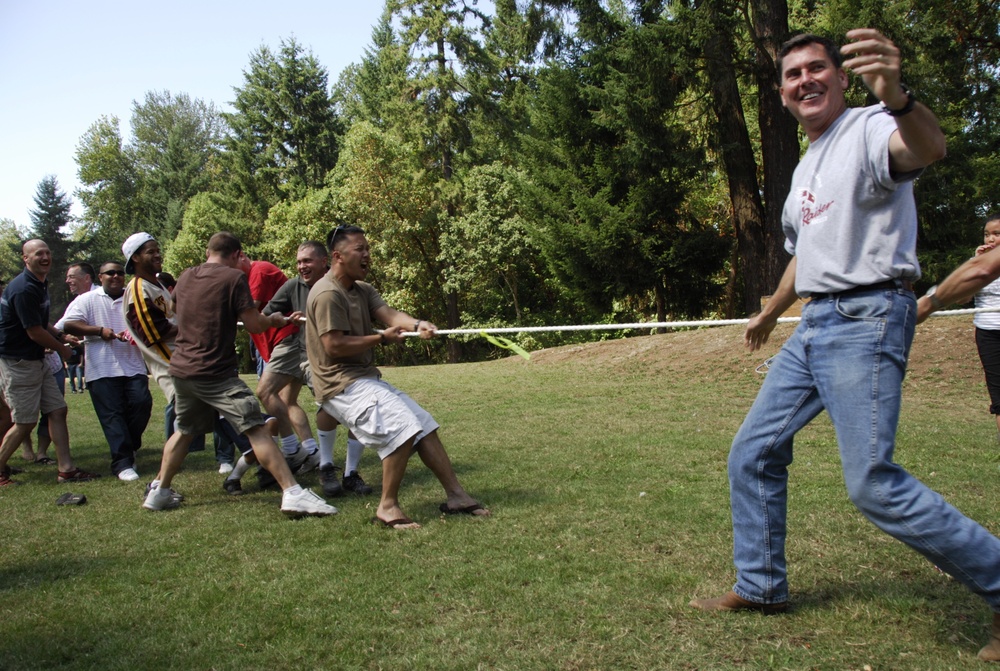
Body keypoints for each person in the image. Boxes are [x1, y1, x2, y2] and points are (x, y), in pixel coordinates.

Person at [687, 30, 1000, 662]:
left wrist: (897, 95)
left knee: (872, 484)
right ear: (779, 94)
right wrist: (771, 314)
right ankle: (762, 586)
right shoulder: (807, 166)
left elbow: (927, 148)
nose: (805, 80)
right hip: (816, 326)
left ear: (838, 75)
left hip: (866, 316)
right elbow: (805, 261)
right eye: (792, 74)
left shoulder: (868, 128)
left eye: (816, 68)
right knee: (752, 452)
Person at [305, 224, 489, 529]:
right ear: (337, 255)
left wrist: (417, 324)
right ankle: (387, 506)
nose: (367, 255)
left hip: (363, 378)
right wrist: (381, 339)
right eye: (359, 249)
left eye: (368, 248)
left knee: (424, 427)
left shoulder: (362, 289)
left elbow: (389, 315)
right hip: (339, 384)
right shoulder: (326, 293)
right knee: (402, 427)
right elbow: (333, 346)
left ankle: (456, 495)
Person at [142, 231, 336, 518]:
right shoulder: (233, 279)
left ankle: (159, 491)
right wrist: (276, 319)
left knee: (183, 430)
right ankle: (293, 493)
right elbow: (256, 324)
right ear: (235, 254)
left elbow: (174, 309)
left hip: (182, 369)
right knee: (256, 428)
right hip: (215, 372)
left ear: (208, 252)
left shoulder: (184, 277)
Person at [242, 240, 372, 499]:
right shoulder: (292, 286)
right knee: (265, 391)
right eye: (299, 261)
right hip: (294, 349)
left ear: (324, 261)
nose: (302, 266)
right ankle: (296, 450)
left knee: (342, 408)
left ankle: (349, 473)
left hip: (324, 357)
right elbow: (263, 316)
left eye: (307, 261)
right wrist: (280, 319)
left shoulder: (341, 287)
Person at [0, 240, 99, 486]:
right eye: (38, 254)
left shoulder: (38, 284)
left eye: (47, 252)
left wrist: (61, 335)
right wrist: (62, 350)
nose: (45, 257)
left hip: (35, 360)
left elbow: (40, 323)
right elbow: (33, 331)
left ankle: (66, 469)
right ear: (26, 258)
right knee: (24, 422)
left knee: (57, 410)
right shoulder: (23, 288)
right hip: (19, 362)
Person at [59, 261, 153, 481]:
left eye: (120, 273)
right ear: (100, 277)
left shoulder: (133, 298)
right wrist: (99, 331)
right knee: (113, 416)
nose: (116, 276)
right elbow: (69, 325)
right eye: (110, 273)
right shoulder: (87, 300)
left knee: (142, 403)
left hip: (133, 366)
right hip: (101, 368)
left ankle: (128, 448)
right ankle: (122, 464)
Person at [237, 251, 317, 473]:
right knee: (287, 400)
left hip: (287, 341)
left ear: (241, 256)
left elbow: (251, 310)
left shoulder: (258, 270)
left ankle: (292, 450)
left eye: (229, 261)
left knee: (266, 391)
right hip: (282, 341)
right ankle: (312, 453)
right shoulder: (251, 276)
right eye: (299, 262)